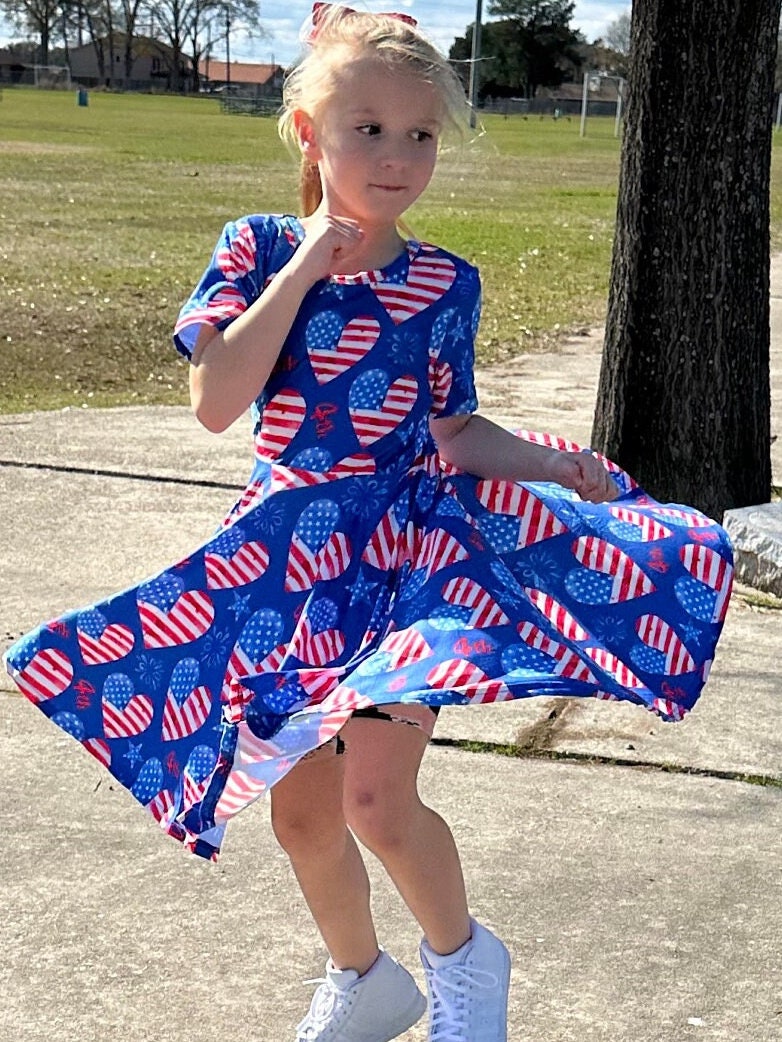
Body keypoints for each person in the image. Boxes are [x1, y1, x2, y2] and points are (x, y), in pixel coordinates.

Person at [4, 5, 734, 1042]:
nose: (397, 156)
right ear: (309, 132)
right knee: (301, 816)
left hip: (403, 563)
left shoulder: (445, 283)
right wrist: (305, 264)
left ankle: (465, 968)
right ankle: (364, 980)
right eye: (368, 129)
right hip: (287, 568)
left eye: (421, 134)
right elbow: (218, 402)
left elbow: (453, 429)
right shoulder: (254, 249)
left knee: (375, 805)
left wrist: (553, 466)